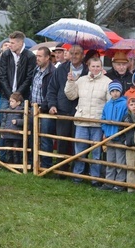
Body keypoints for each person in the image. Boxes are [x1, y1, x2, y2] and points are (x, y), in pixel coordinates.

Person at [64, 57, 111, 186]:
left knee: (96, 152)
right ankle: (77, 176)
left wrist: (105, 121)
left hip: (97, 122)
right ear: (88, 67)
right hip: (82, 120)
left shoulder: (107, 82)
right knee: (80, 150)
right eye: (93, 66)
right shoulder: (81, 80)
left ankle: (95, 178)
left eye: (98, 66)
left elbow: (109, 103)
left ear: (102, 67)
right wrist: (70, 81)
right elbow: (71, 95)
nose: (95, 69)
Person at [46, 45, 88, 173]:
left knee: (79, 142)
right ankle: (61, 169)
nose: (74, 56)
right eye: (72, 53)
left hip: (80, 110)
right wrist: (52, 105)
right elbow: (52, 89)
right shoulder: (61, 69)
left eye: (77, 53)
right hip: (62, 109)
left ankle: (78, 170)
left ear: (83, 55)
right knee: (62, 141)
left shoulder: (88, 70)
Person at [30, 46, 56, 168]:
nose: (37, 58)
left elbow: (51, 92)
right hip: (33, 107)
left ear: (47, 57)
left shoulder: (53, 72)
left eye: (40, 56)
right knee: (32, 135)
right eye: (37, 56)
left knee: (45, 137)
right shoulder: (36, 70)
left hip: (44, 110)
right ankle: (33, 162)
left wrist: (43, 107)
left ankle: (46, 164)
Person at [99, 80, 127, 191]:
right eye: (113, 91)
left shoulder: (124, 104)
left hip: (119, 136)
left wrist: (121, 131)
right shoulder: (107, 104)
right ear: (110, 92)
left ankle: (119, 183)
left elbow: (126, 119)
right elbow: (103, 119)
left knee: (120, 161)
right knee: (110, 160)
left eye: (117, 91)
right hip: (109, 136)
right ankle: (109, 181)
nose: (115, 93)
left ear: (120, 91)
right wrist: (106, 131)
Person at [0, 31, 36, 103]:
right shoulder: (5, 55)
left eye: (12, 43)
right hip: (6, 96)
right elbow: (2, 76)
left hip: (22, 96)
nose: (9, 45)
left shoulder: (30, 56)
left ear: (20, 43)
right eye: (9, 42)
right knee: (4, 114)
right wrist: (10, 95)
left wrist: (17, 95)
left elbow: (29, 78)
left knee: (22, 114)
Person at [1, 92, 24, 164]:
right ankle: (9, 165)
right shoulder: (7, 110)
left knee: (16, 151)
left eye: (12, 101)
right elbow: (3, 121)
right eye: (10, 101)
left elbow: (25, 121)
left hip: (17, 135)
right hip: (8, 134)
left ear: (18, 102)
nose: (10, 103)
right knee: (8, 150)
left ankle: (17, 165)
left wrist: (17, 121)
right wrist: (2, 131)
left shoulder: (22, 111)